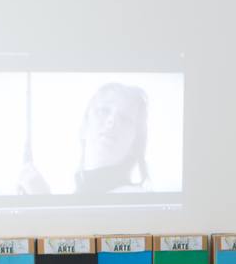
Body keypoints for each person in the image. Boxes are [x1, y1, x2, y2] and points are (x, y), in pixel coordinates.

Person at [18, 83, 150, 195]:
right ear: (84, 128)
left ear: (135, 145)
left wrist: (44, 204)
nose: (112, 120)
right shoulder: (76, 195)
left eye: (124, 118)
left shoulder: (136, 198)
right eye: (103, 111)